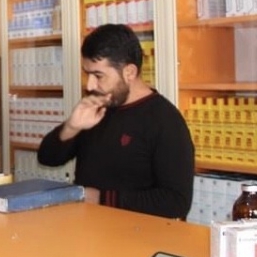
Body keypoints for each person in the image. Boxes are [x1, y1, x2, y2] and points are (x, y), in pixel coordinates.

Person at [37, 24, 194, 219]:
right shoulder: (98, 107)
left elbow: (176, 202)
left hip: (136, 233)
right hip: (87, 228)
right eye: (87, 74)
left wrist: (101, 198)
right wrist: (71, 127)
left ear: (129, 72)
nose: (90, 85)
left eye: (98, 76)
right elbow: (47, 158)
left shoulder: (165, 120)